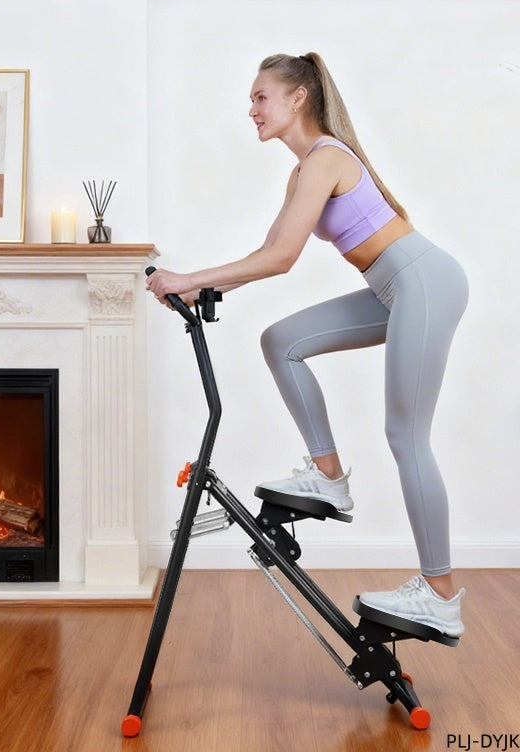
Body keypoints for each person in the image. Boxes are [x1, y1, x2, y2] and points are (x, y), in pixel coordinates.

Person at [146, 52, 468, 638]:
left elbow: (283, 258)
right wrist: (202, 286)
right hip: (397, 287)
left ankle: (440, 592)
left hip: (424, 281)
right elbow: (267, 252)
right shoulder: (303, 172)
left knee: (406, 434)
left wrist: (189, 279)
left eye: (260, 97)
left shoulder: (326, 159)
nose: (251, 110)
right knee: (283, 340)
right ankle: (328, 476)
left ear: (298, 98)